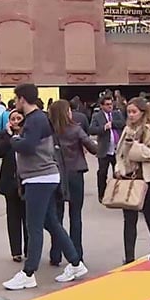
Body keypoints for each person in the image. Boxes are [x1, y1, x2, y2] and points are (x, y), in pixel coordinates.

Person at [2, 83, 88, 290]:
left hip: (38, 178)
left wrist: (13, 138)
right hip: (44, 177)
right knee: (50, 223)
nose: (15, 103)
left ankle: (29, 272)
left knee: (34, 226)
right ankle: (76, 263)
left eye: (16, 99)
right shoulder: (39, 119)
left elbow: (28, 146)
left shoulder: (34, 119)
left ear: (22, 99)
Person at [114, 97, 150, 263]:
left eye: (134, 112)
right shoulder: (127, 130)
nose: (131, 115)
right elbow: (120, 154)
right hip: (130, 180)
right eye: (129, 112)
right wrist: (119, 169)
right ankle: (129, 258)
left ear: (143, 113)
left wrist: (135, 148)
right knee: (129, 220)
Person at [50, 100, 98, 265]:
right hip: (75, 173)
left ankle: (55, 254)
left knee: (57, 216)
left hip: (56, 174)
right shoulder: (76, 129)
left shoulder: (51, 132)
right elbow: (93, 148)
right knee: (75, 215)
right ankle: (77, 253)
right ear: (67, 112)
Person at [0, 110, 28, 262]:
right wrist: (8, 136)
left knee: (28, 218)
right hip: (10, 181)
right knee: (13, 218)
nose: (15, 121)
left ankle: (29, 249)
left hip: (26, 180)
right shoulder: (4, 135)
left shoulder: (28, 134)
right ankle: (16, 251)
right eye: (12, 119)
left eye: (18, 118)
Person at [89, 96, 126, 203]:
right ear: (102, 106)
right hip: (104, 149)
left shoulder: (116, 114)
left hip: (117, 149)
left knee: (118, 173)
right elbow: (91, 130)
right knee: (102, 173)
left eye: (111, 104)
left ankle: (116, 194)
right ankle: (102, 194)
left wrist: (113, 124)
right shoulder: (97, 116)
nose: (110, 106)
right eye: (107, 104)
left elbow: (123, 123)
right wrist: (103, 128)